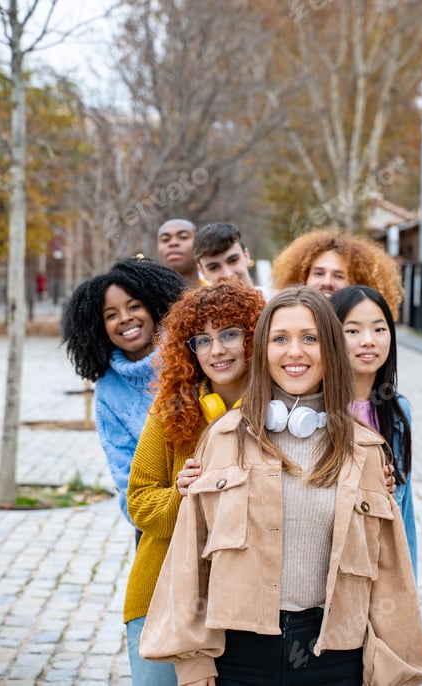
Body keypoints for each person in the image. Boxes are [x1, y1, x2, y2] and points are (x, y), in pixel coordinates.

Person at [140, 286, 422, 686]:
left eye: (309, 338)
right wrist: (194, 665)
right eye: (280, 339)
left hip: (335, 659)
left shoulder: (366, 450)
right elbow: (191, 562)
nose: (294, 352)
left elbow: (391, 576)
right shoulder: (223, 438)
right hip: (238, 657)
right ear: (263, 350)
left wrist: (395, 672)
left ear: (330, 349)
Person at [124, 282, 266, 686]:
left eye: (229, 334)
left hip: (243, 603)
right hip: (161, 597)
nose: (216, 350)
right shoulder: (169, 411)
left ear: (255, 336)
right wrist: (183, 497)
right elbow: (140, 503)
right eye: (202, 340)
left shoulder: (282, 416)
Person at [61, 256, 186, 528]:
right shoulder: (108, 388)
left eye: (134, 306)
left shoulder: (190, 356)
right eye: (111, 315)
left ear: (154, 307)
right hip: (157, 520)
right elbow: (125, 474)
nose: (125, 318)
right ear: (99, 327)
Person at [330, 285, 417, 577]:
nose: (368, 341)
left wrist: (407, 584)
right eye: (352, 331)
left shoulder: (397, 411)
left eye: (379, 330)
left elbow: (404, 512)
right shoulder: (315, 411)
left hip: (380, 566)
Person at [271, 228, 403, 319]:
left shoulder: (363, 336)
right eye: (319, 273)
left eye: (339, 276)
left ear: (357, 283)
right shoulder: (284, 321)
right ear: (303, 277)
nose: (327, 282)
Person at [193, 221, 273, 299]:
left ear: (246, 256)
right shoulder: (199, 312)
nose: (227, 275)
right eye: (214, 267)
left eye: (233, 261)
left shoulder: (277, 302)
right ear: (202, 271)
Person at [157, 218, 203, 287]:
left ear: (200, 243)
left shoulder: (218, 292)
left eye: (183, 237)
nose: (173, 243)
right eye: (165, 239)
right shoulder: (145, 296)